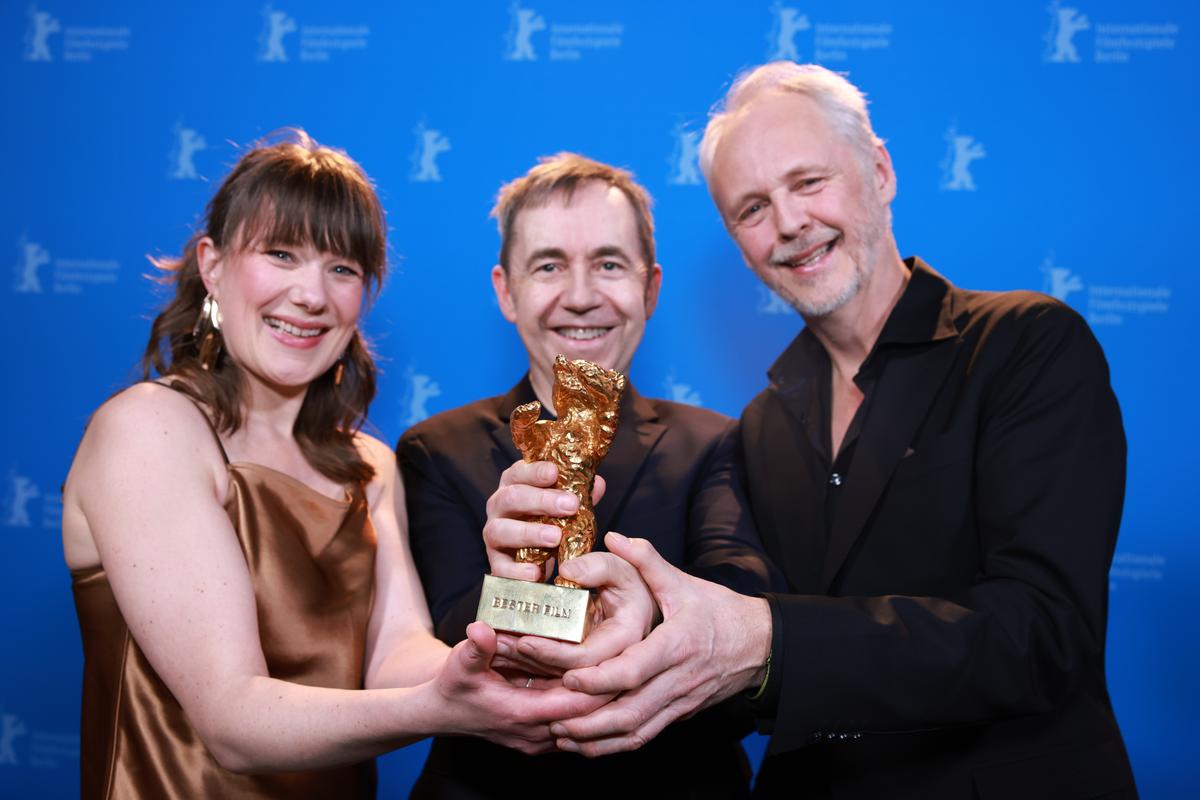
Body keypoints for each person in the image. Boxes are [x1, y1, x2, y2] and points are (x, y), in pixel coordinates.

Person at [491, 65, 1137, 798]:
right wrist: (644, 626)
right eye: (753, 208)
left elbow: (1043, 636)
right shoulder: (763, 423)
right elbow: (737, 642)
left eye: (809, 182)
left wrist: (764, 639)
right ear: (737, 240)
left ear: (881, 171)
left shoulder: (1023, 346)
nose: (790, 223)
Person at [60, 131, 604, 799]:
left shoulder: (368, 466)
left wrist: (498, 670)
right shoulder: (150, 428)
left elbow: (395, 656)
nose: (312, 295)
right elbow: (230, 720)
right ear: (213, 263)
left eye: (342, 268)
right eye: (281, 253)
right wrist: (445, 708)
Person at [397, 153, 780, 798]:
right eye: (549, 266)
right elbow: (436, 644)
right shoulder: (437, 450)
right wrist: (509, 580)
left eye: (608, 264)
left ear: (650, 288)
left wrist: (627, 615)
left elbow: (741, 624)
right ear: (506, 291)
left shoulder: (717, 444)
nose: (580, 296)